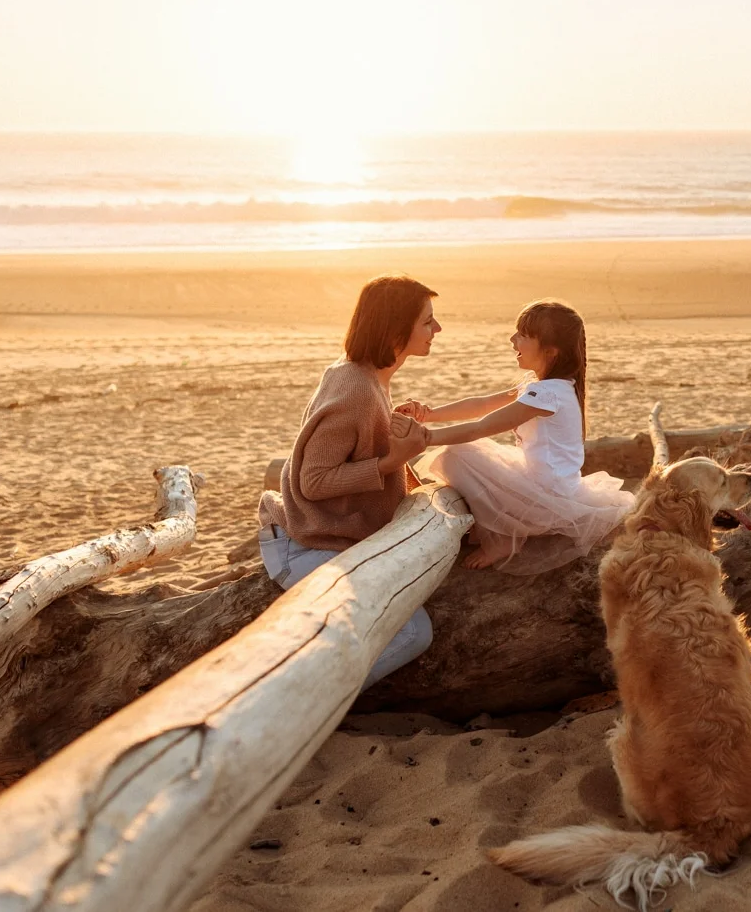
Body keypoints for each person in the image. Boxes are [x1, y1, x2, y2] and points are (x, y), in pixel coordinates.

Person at [257, 274, 440, 688]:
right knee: (413, 632)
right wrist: (393, 460)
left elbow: (355, 444)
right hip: (304, 545)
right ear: (395, 331)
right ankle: (304, 700)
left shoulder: (366, 376)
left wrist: (392, 430)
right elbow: (314, 480)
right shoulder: (356, 388)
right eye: (428, 321)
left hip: (326, 537)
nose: (438, 329)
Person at [407, 299, 635, 572]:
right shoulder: (553, 387)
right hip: (553, 485)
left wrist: (425, 437)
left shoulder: (546, 394)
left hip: (544, 498)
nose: (512, 339)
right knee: (468, 453)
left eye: (523, 335)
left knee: (456, 454)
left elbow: (482, 426)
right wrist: (427, 414)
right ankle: (489, 526)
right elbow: (482, 404)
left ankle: (502, 536)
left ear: (550, 352)